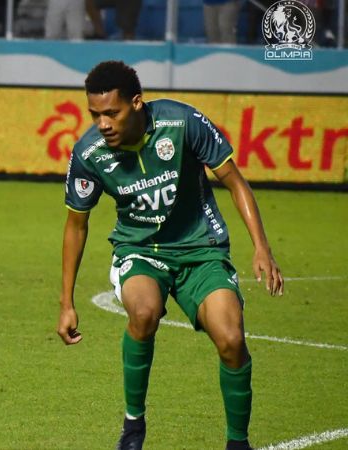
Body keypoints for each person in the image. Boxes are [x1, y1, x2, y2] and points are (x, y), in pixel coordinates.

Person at [57, 61, 283, 450]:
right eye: (95, 115)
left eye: (112, 113)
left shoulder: (181, 123)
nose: (103, 123)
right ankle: (133, 424)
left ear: (137, 103)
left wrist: (262, 247)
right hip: (140, 250)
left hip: (201, 249)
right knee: (143, 314)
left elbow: (235, 181)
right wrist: (66, 302)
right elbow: (76, 226)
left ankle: (238, 442)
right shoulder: (89, 154)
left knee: (231, 340)